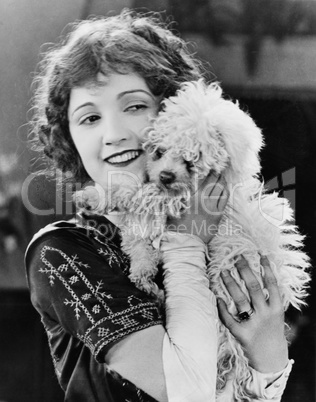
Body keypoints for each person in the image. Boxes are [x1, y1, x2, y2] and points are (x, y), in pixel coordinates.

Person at [25, 9, 293, 401]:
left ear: (172, 111)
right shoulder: (62, 251)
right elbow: (188, 393)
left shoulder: (234, 232)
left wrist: (268, 354)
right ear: (68, 137)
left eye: (134, 106)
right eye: (89, 118)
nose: (113, 134)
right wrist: (188, 240)